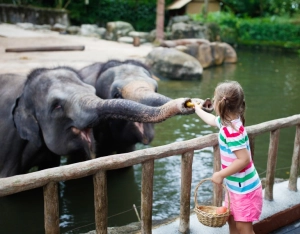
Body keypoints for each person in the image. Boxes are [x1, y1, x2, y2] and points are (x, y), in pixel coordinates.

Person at [192, 80, 262, 234]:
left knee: (244, 230)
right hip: (235, 188)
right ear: (240, 104)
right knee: (232, 224)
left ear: (218, 103)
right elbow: (211, 120)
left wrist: (220, 174)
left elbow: (244, 159)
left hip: (245, 190)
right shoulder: (228, 122)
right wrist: (197, 108)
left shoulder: (232, 131)